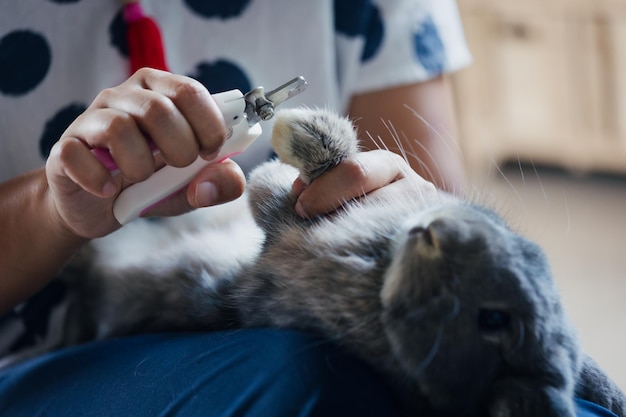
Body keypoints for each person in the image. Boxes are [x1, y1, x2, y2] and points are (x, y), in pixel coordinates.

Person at [0, 1, 617, 416]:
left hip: (283, 310)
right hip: (36, 357)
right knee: (305, 382)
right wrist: (56, 213)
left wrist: (396, 203)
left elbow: (441, 240)